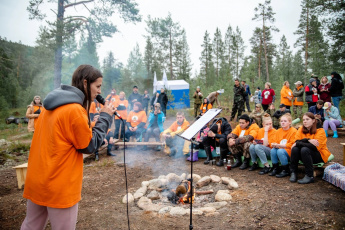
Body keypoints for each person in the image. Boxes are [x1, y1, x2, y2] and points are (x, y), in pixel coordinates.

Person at [21, 65, 115, 229]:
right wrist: (105, 117)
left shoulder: (49, 108)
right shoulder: (74, 110)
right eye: (98, 86)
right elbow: (89, 145)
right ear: (85, 83)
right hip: (59, 185)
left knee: (31, 226)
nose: (100, 91)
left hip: (37, 180)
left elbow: (66, 137)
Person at [290, 112, 331, 184]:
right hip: (305, 155)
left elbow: (314, 147)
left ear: (313, 120)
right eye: (303, 120)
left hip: (319, 155)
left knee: (304, 149)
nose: (305, 121)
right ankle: (293, 172)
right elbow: (296, 141)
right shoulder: (301, 129)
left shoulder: (320, 131)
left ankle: (309, 176)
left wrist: (299, 143)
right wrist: (307, 140)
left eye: (307, 119)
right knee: (295, 149)